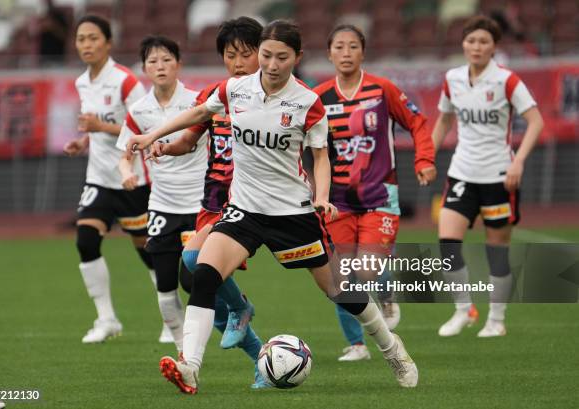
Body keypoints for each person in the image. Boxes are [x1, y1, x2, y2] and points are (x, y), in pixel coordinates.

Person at [129, 20, 419, 394]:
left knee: (339, 290)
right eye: (266, 55)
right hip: (245, 209)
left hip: (292, 212)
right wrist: (152, 134)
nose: (272, 63)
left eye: (282, 57)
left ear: (296, 57)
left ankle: (392, 348)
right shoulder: (235, 89)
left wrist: (322, 196)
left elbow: (321, 157)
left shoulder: (308, 102)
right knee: (203, 273)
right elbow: (200, 113)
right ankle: (191, 366)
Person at [118, 28, 267, 389]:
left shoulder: (281, 99)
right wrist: (158, 147)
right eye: (229, 55)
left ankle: (388, 341)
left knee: (336, 280)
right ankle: (244, 356)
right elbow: (185, 140)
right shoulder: (213, 97)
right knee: (193, 276)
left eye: (245, 54)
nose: (236, 63)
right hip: (211, 204)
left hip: (264, 204)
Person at [313, 24, 436, 361]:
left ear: (363, 52)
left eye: (353, 46)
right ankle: (356, 344)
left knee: (365, 269)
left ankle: (386, 291)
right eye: (339, 47)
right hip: (337, 201)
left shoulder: (383, 90)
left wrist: (424, 160)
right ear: (329, 53)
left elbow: (418, 122)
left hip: (380, 195)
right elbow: (304, 144)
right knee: (339, 275)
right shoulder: (319, 97)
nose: (346, 53)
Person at [432, 15, 543, 337]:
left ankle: (496, 320)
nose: (476, 47)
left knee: (497, 251)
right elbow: (443, 121)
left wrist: (518, 162)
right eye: (471, 41)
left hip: (498, 177)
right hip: (461, 173)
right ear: (463, 44)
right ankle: (464, 309)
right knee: (447, 244)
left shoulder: (506, 80)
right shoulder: (452, 78)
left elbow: (535, 121)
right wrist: (427, 156)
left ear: (494, 47)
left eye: (484, 42)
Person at [63, 15, 158, 344]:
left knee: (148, 252)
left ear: (108, 42)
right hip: (99, 178)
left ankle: (170, 317)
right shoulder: (82, 83)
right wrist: (83, 142)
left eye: (93, 38)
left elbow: (144, 129)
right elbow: (95, 128)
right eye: (81, 39)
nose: (86, 45)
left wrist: (99, 128)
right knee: (85, 241)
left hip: (132, 178)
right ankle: (106, 318)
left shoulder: (126, 81)